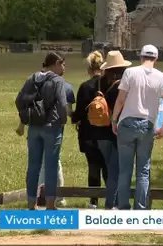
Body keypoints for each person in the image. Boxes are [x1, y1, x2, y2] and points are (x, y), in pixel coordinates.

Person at [111, 45, 163, 210]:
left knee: (125, 169)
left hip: (127, 121)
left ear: (141, 57)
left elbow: (121, 99)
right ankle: (141, 208)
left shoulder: (130, 72)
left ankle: (123, 205)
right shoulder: (162, 77)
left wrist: (114, 120)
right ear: (156, 59)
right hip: (147, 124)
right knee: (143, 170)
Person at [15, 52, 67, 210]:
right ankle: (50, 204)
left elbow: (18, 100)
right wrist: (62, 120)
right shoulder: (57, 80)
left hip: (34, 127)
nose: (64, 67)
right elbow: (63, 104)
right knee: (51, 166)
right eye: (63, 64)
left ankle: (31, 204)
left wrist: (26, 116)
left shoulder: (32, 78)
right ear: (56, 63)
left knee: (33, 166)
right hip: (52, 126)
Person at [71, 50, 109, 208]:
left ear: (89, 68)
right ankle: (111, 199)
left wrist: (73, 118)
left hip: (89, 133)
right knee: (108, 167)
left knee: (93, 167)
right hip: (107, 132)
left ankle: (93, 202)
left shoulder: (84, 87)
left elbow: (79, 113)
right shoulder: (109, 84)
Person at [98, 50, 131, 209]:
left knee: (112, 170)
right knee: (119, 171)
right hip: (118, 131)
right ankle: (115, 203)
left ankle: (111, 202)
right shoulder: (121, 87)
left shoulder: (101, 83)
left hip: (103, 132)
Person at [35, 80, 74, 207]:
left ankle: (40, 197)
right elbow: (68, 110)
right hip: (55, 128)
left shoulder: (37, 85)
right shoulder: (67, 87)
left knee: (42, 163)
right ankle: (58, 196)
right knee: (55, 162)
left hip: (38, 126)